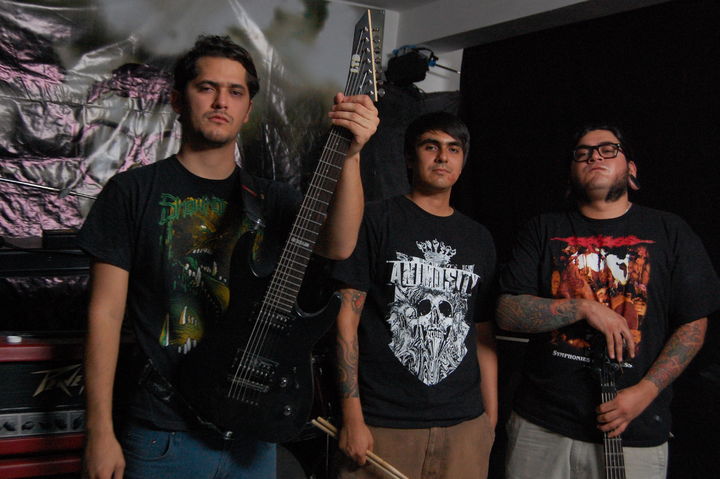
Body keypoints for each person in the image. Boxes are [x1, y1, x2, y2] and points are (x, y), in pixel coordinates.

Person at [78, 34, 378, 479]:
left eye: (235, 92)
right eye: (207, 88)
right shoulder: (132, 192)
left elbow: (339, 246)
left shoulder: (272, 198)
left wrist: (350, 157)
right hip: (164, 432)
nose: (222, 101)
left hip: (252, 432)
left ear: (248, 109)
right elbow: (104, 315)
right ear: (178, 100)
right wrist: (99, 430)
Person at [496, 124, 720, 478]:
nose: (594, 157)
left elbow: (693, 323)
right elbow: (507, 312)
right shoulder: (543, 229)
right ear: (571, 172)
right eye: (583, 153)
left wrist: (645, 392)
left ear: (631, 169)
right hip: (542, 427)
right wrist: (584, 308)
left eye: (607, 150)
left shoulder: (670, 231)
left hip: (634, 429)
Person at [333, 112, 498, 479]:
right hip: (384, 423)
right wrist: (352, 417)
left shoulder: (479, 238)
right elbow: (346, 320)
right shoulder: (374, 219)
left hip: (465, 426)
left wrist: (489, 420)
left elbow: (482, 332)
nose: (442, 157)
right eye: (431, 146)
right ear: (410, 157)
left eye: (453, 149)